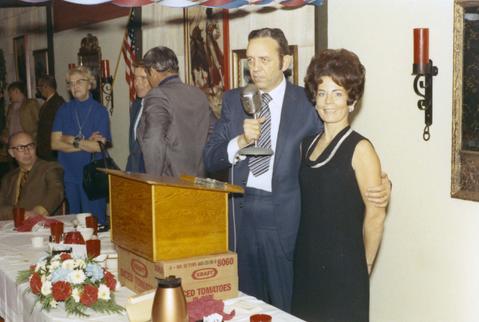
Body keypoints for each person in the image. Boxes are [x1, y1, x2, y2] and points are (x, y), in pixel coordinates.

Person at [203, 28, 391, 312]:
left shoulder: (309, 101)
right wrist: (240, 142)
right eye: (250, 60)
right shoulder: (233, 100)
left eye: (264, 59)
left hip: (288, 226)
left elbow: (343, 155)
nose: (255, 68)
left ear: (285, 62)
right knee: (245, 309)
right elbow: (211, 159)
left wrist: (383, 185)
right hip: (241, 218)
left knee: (288, 310)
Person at [291, 49, 387, 322]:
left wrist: (364, 265)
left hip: (344, 270)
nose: (328, 102)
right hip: (307, 265)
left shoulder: (361, 148)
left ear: (352, 100)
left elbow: (376, 215)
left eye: (337, 93)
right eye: (322, 93)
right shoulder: (306, 144)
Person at [51, 66, 111, 230]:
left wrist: (71, 139)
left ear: (90, 84)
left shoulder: (100, 111)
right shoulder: (63, 110)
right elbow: (55, 143)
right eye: (71, 83)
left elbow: (98, 147)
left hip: (92, 177)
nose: (75, 87)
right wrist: (85, 144)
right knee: (75, 225)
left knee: (93, 224)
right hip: (69, 175)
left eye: (79, 82)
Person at [138, 46, 210, 177]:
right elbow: (212, 136)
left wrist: (154, 181)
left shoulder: (158, 95)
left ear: (153, 72)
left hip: (170, 185)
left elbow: (154, 141)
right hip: (200, 184)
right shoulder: (199, 94)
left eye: (147, 75)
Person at [0, 131, 64, 220]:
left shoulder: (49, 168)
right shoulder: (8, 178)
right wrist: (21, 214)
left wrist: (38, 211)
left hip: (41, 226)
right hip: (12, 226)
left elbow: (56, 191)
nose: (27, 151)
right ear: (11, 153)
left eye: (30, 146)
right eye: (20, 148)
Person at [126, 61, 151, 173]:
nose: (137, 83)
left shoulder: (161, 109)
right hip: (134, 172)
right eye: (135, 78)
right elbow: (134, 148)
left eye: (143, 78)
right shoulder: (135, 106)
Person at [36, 75, 65, 161]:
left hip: (51, 150)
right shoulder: (48, 102)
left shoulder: (58, 103)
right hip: (45, 149)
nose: (39, 90)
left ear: (46, 87)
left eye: (39, 87)